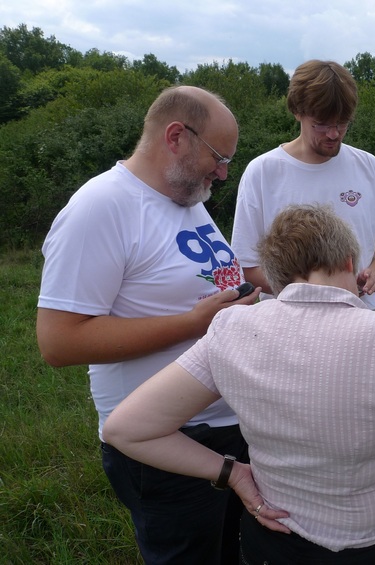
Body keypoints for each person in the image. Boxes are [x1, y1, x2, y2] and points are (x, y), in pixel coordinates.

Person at [103, 204, 375, 565]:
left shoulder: (230, 329)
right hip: (371, 545)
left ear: (276, 277)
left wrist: (232, 473)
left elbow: (126, 429)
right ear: (348, 261)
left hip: (271, 542)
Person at [36, 85, 260, 564]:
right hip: (167, 443)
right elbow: (58, 342)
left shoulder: (186, 199)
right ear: (176, 136)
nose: (223, 173)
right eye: (219, 157)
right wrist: (194, 322)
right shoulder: (101, 208)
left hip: (226, 429)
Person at [231, 59, 375, 310]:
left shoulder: (368, 166)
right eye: (322, 124)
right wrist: (318, 295)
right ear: (297, 111)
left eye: (343, 122)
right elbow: (248, 267)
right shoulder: (263, 172)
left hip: (363, 316)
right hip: (291, 322)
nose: (334, 133)